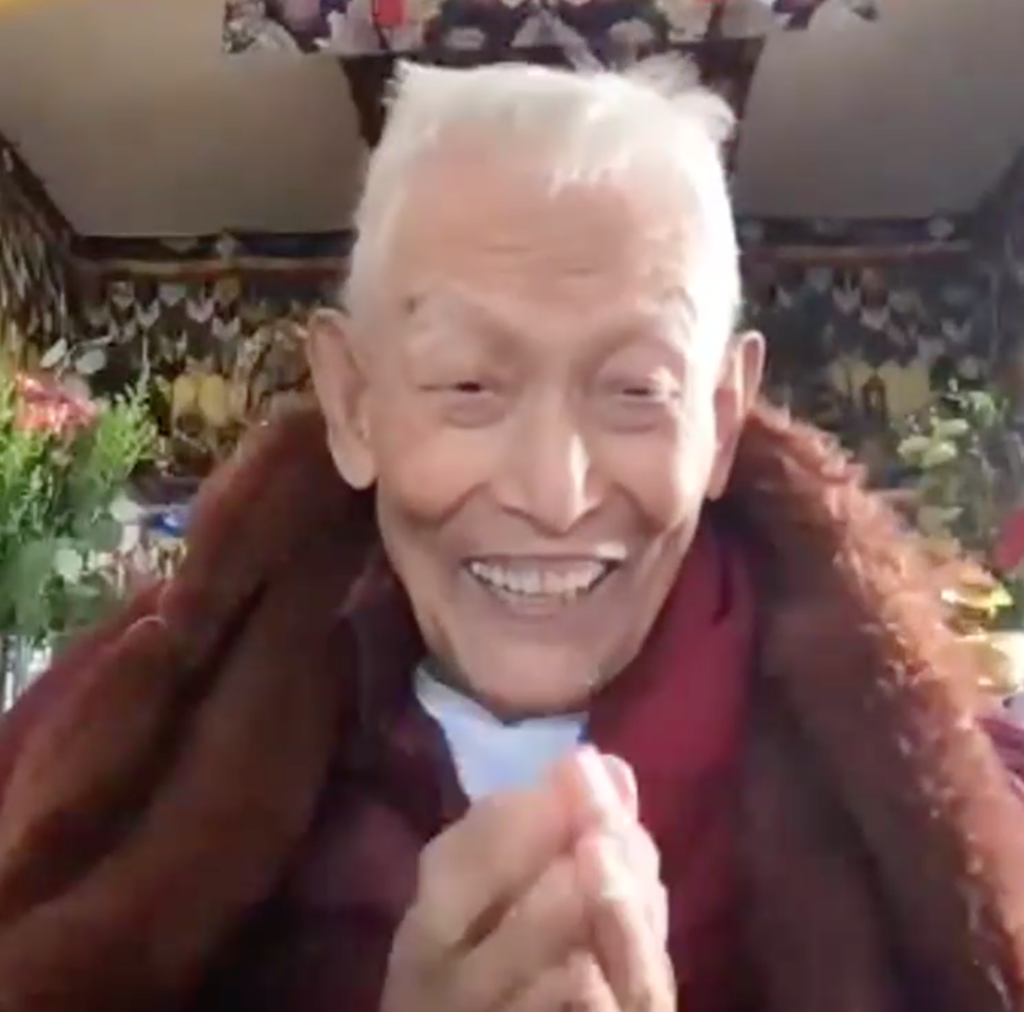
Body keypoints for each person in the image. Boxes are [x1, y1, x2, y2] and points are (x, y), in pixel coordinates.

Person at [0, 58, 1023, 1012]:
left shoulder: (943, 798)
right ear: (354, 403)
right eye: (469, 385)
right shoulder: (113, 751)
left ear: (720, 419)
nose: (554, 493)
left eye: (635, 391)